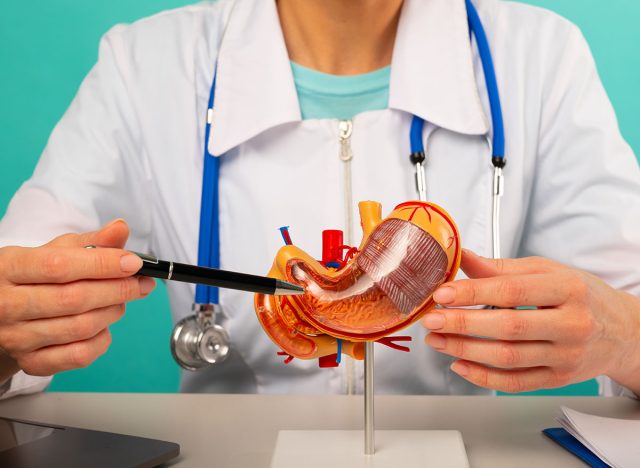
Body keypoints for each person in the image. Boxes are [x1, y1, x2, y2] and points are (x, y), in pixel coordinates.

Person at [0, 0, 638, 399]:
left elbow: (628, 305)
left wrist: (623, 336)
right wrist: (12, 330)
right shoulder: (145, 66)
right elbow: (18, 280)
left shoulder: (538, 58)